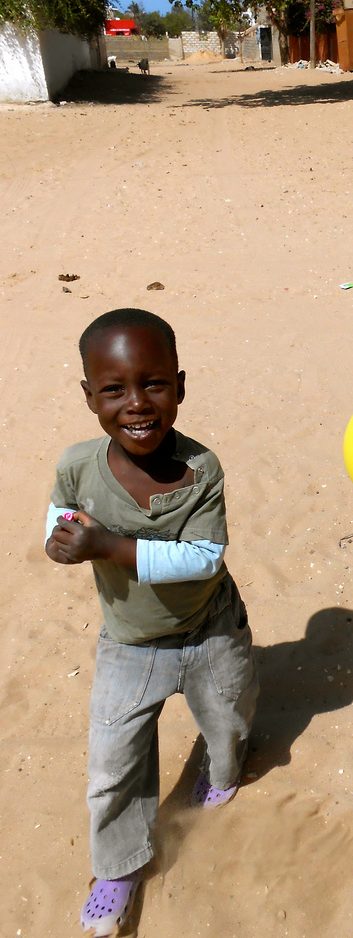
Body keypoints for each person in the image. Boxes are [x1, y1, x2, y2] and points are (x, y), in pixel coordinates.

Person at [45, 308, 259, 936]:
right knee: (113, 762)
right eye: (113, 389)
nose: (136, 403)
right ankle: (118, 865)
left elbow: (203, 558)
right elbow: (61, 517)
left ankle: (221, 775)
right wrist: (62, 540)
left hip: (211, 626)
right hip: (131, 643)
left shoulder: (201, 470)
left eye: (154, 384)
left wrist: (107, 546)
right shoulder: (79, 467)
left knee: (228, 715)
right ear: (90, 396)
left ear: (180, 385)